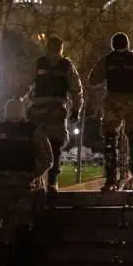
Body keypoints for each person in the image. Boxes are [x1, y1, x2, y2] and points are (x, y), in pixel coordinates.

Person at [0, 98, 53, 266]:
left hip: (24, 187)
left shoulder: (33, 132)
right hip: (2, 184)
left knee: (22, 230)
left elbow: (46, 158)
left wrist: (32, 176)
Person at [88, 32, 133, 191]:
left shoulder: (107, 60)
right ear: (127, 44)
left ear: (113, 45)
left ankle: (110, 179)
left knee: (110, 140)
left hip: (113, 102)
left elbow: (92, 79)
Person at [26, 36, 83, 193]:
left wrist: (17, 100)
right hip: (57, 111)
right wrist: (76, 110)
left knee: (36, 146)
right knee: (55, 146)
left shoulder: (38, 64)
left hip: (38, 110)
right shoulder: (67, 66)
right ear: (61, 48)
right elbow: (76, 90)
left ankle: (36, 181)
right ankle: (52, 182)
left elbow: (25, 84)